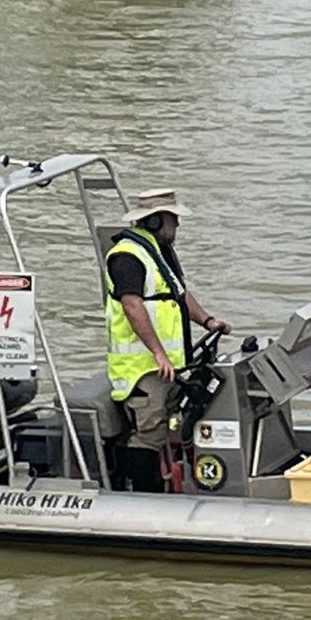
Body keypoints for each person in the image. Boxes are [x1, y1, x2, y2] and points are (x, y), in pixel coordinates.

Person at [103, 189, 231, 492]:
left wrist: (208, 321)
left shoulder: (157, 252)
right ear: (155, 220)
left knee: (170, 426)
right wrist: (159, 353)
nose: (178, 225)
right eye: (173, 218)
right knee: (149, 434)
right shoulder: (127, 256)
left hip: (167, 366)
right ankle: (144, 496)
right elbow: (132, 306)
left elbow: (180, 294)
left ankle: (169, 486)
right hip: (141, 369)